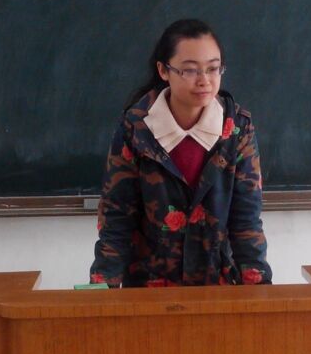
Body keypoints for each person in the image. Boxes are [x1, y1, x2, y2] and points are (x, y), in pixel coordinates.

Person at [90, 18, 272, 287]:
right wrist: (100, 291)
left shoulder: (236, 129)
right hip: (149, 288)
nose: (204, 81)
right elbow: (117, 217)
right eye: (190, 70)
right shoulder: (136, 128)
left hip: (218, 286)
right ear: (164, 70)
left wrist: (259, 293)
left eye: (213, 69)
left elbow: (246, 221)